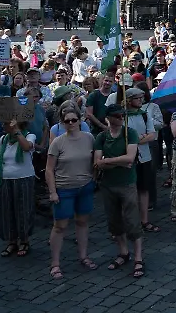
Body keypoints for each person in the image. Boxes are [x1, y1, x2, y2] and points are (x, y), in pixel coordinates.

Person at [45, 105, 98, 279]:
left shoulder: (89, 138)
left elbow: (95, 160)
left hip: (85, 186)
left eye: (73, 120)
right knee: (60, 226)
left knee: (82, 222)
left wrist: (94, 177)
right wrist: (53, 192)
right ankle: (55, 263)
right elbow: (49, 169)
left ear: (80, 120)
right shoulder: (58, 142)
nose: (70, 123)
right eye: (66, 121)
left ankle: (83, 256)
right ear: (62, 122)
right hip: (64, 188)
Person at [93, 104, 145, 278]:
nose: (120, 118)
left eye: (122, 115)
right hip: (108, 184)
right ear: (108, 117)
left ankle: (138, 257)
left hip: (127, 183)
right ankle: (123, 252)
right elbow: (97, 162)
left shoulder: (129, 133)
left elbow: (130, 158)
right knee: (114, 221)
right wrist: (118, 162)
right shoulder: (101, 137)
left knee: (132, 220)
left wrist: (108, 161)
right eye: (116, 116)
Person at [0, 117, 37, 258]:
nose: (3, 125)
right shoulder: (3, 139)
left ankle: (24, 240)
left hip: (24, 178)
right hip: (6, 179)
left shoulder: (29, 135)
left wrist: (17, 131)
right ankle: (12, 241)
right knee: (7, 211)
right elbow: (1, 159)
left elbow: (26, 147)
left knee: (24, 210)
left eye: (6, 123)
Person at [124, 87, 159, 233]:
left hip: (144, 157)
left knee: (144, 189)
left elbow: (152, 135)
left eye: (141, 98)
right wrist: (137, 139)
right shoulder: (122, 116)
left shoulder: (144, 115)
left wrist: (137, 139)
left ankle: (144, 220)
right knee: (127, 191)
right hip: (127, 158)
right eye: (137, 98)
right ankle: (128, 222)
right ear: (129, 100)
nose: (141, 100)